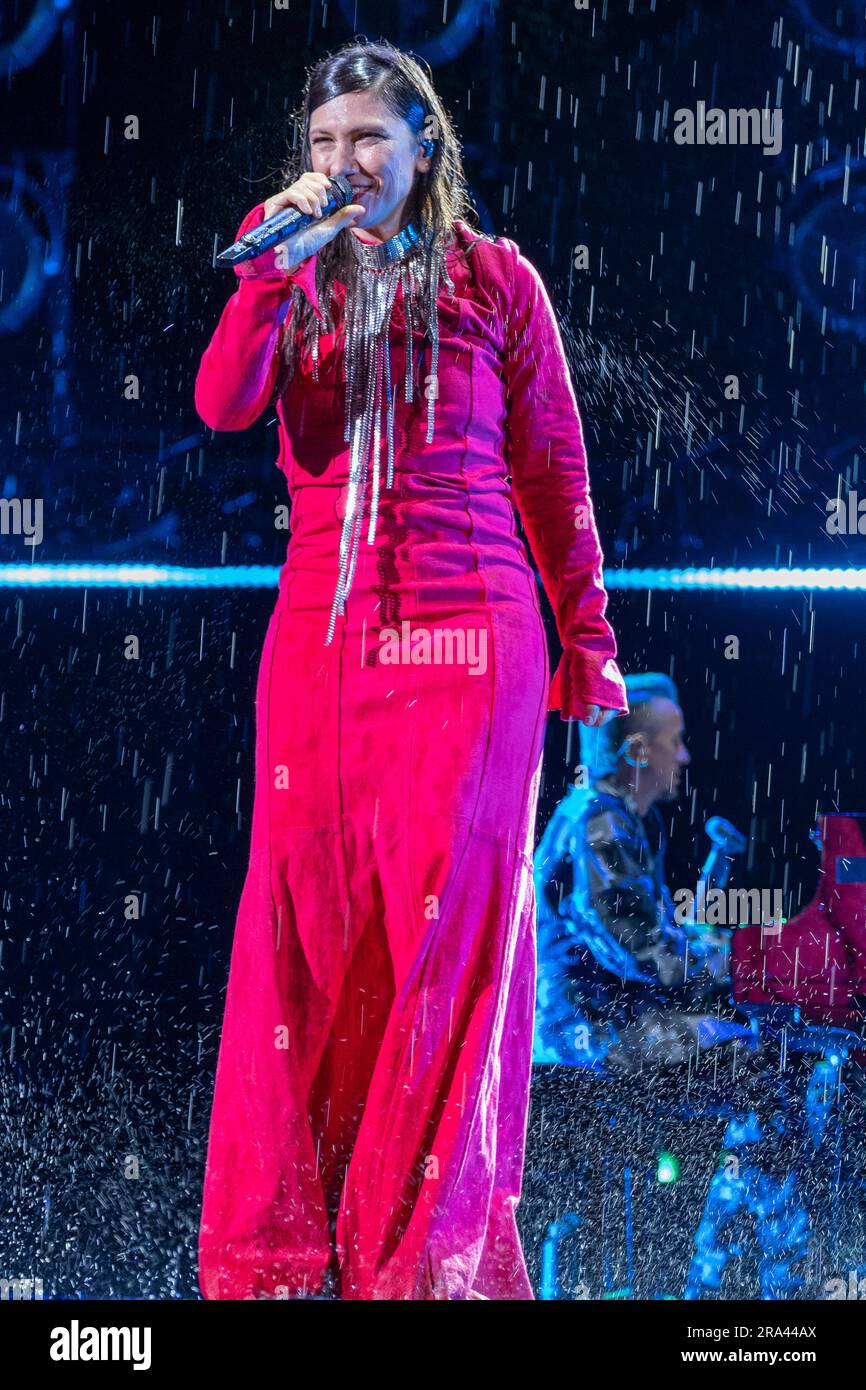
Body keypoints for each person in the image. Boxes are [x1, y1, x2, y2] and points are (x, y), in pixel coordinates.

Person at [194, 38, 627, 1302]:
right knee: (306, 923)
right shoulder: (291, 275)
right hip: (319, 646)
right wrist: (267, 276)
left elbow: (553, 473)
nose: (342, 164)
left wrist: (589, 649)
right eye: (323, 144)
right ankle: (281, 1253)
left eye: (367, 139)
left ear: (420, 148)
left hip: (470, 637)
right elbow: (224, 405)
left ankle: (424, 1263)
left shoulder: (496, 280)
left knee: (444, 926)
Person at [533, 672, 735, 1074]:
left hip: (599, 1014)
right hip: (584, 1029)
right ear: (639, 751)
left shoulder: (609, 815)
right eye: (674, 743)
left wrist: (699, 944)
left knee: (741, 1037)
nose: (683, 757)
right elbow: (640, 951)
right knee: (748, 1050)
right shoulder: (601, 822)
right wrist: (725, 960)